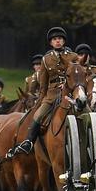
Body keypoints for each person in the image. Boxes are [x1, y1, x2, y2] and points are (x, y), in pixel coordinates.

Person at [15, 27, 79, 155]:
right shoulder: (46, 59)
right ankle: (29, 142)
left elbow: (78, 75)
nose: (57, 41)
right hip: (52, 95)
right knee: (38, 115)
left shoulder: (73, 56)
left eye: (60, 39)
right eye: (55, 39)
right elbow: (44, 84)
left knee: (90, 112)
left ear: (64, 41)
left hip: (72, 92)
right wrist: (41, 100)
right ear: (51, 43)